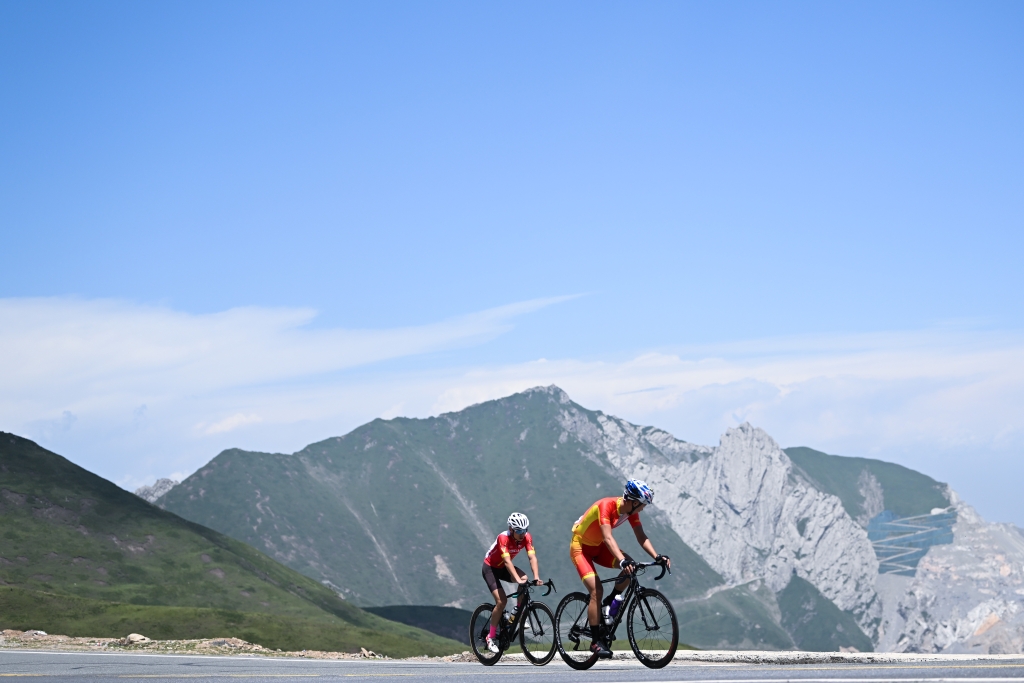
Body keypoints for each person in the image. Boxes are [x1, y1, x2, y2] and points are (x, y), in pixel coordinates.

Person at [569, 478, 670, 658]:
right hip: (581, 548)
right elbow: (608, 537)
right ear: (633, 501)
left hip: (599, 547)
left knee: (631, 567)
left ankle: (609, 602)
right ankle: (595, 642)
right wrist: (621, 560)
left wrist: (657, 556)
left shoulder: (632, 512)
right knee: (596, 590)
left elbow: (640, 535)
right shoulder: (606, 506)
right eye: (642, 505)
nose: (643, 509)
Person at [481, 512, 543, 653]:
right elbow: (508, 562)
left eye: (525, 530)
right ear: (511, 529)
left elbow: (532, 557)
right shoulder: (503, 538)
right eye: (519, 531)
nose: (523, 533)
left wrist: (536, 577)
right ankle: (490, 637)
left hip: (502, 567)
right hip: (490, 568)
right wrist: (517, 579)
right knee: (501, 601)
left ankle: (516, 613)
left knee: (525, 579)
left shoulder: (526, 537)